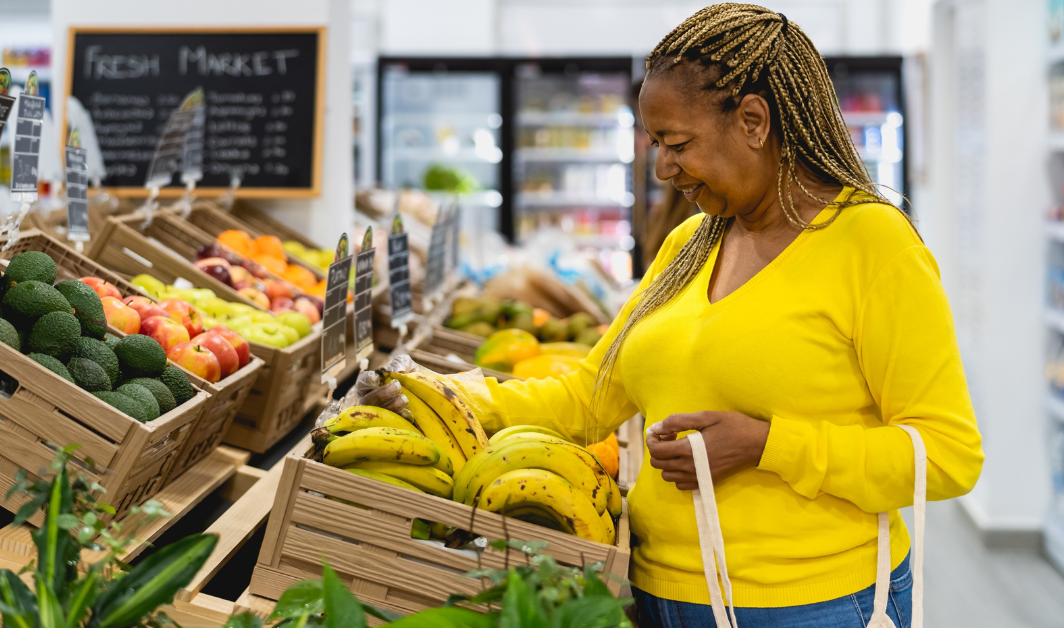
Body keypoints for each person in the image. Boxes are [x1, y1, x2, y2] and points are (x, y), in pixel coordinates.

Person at [357, 4, 983, 626]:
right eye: (655, 143)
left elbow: (948, 454)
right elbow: (587, 396)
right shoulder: (692, 245)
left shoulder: (872, 243)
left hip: (812, 604)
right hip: (654, 594)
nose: (661, 168)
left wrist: (769, 445)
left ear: (754, 121)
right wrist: (435, 394)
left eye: (677, 144)